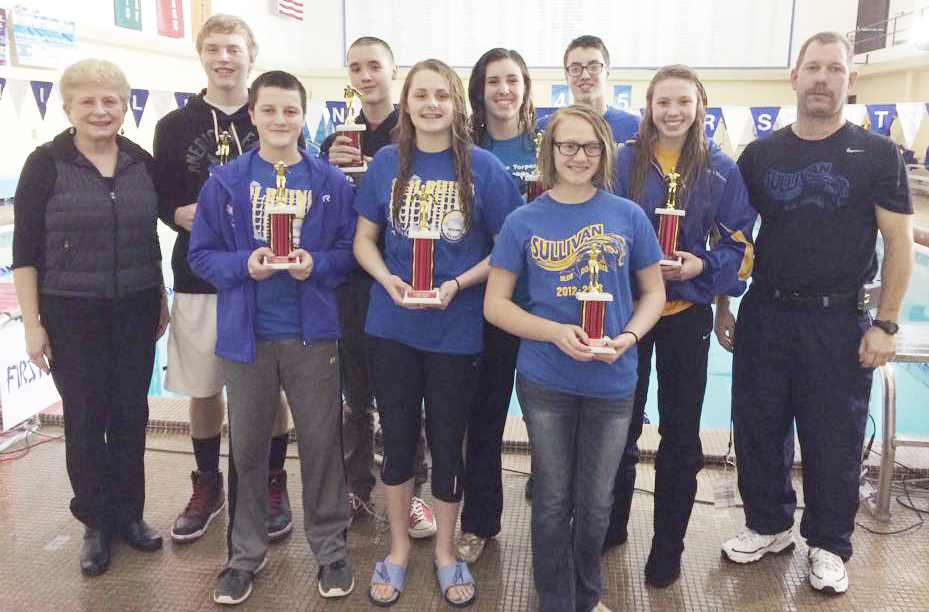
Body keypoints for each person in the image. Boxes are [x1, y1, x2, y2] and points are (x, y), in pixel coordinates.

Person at [720, 32, 913, 595]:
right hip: (766, 314)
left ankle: (828, 544)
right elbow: (734, 236)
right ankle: (768, 525)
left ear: (851, 81)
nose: (823, 78)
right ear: (795, 77)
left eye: (835, 69)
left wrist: (886, 322)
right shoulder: (760, 154)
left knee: (834, 437)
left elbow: (899, 245)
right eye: (813, 68)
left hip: (837, 320)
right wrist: (723, 305)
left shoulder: (877, 154)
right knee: (758, 427)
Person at [353, 58, 522, 607]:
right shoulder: (385, 164)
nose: (431, 105)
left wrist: (455, 284)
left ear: (456, 105)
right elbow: (364, 242)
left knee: (449, 444)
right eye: (420, 95)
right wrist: (389, 280)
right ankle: (399, 549)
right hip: (392, 325)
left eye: (441, 96)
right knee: (399, 443)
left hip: (455, 329)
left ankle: (445, 552)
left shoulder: (484, 169)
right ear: (407, 103)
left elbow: (506, 249)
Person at [485, 104, 665, 612]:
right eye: (568, 145)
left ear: (604, 151)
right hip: (546, 379)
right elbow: (495, 305)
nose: (578, 155)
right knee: (551, 500)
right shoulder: (524, 220)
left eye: (589, 146)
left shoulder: (627, 215)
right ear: (550, 151)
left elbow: (652, 293)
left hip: (612, 380)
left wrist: (628, 338)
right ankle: (556, 600)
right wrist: (555, 333)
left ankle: (587, 597)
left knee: (596, 504)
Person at [189, 71, 356, 605]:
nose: (280, 120)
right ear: (254, 115)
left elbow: (352, 254)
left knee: (323, 445)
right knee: (249, 450)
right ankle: (243, 556)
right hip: (249, 338)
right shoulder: (224, 182)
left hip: (312, 336)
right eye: (270, 111)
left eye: (290, 111)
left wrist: (318, 264)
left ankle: (330, 551)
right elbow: (200, 256)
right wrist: (245, 264)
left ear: (303, 116)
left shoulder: (332, 183)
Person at [12, 58, 169, 576]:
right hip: (71, 311)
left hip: (136, 306)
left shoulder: (139, 161)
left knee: (130, 415)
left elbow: (152, 235)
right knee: (84, 419)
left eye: (111, 101)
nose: (101, 111)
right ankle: (95, 523)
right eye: (89, 101)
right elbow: (26, 251)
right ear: (68, 108)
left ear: (125, 108)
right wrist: (34, 323)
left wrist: (161, 297)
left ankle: (130, 516)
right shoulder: (47, 164)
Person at [606, 65, 756, 587]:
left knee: (680, 435)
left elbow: (739, 245)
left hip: (684, 314)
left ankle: (667, 545)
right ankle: (612, 524)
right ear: (648, 105)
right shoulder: (624, 160)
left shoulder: (719, 168)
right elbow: (598, 223)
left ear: (699, 106)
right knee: (618, 424)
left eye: (683, 102)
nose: (672, 112)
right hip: (627, 314)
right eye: (662, 101)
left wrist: (701, 269)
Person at [153, 14, 294, 544]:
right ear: (202, 54)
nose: (224, 58)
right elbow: (163, 200)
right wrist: (179, 214)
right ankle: (208, 484)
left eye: (234, 48)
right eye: (214, 48)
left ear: (250, 54)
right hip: (200, 275)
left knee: (269, 386)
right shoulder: (173, 126)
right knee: (205, 386)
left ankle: (271, 483)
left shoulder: (272, 116)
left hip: (268, 276)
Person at [319, 36, 436, 538]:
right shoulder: (335, 138)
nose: (365, 75)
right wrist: (331, 166)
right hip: (348, 282)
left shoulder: (413, 133)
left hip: (402, 278)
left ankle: (410, 491)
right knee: (353, 395)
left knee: (404, 394)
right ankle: (356, 485)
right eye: (356, 68)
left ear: (393, 71)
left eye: (374, 66)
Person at [455, 47, 537, 565]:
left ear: (526, 87)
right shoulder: (464, 150)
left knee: (551, 421)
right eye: (493, 82)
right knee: (483, 418)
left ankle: (558, 519)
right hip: (488, 305)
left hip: (550, 305)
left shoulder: (551, 144)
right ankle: (480, 521)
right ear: (479, 92)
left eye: (513, 80)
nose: (504, 90)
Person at [537, 35, 639, 145]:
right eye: (575, 69)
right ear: (567, 76)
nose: (585, 75)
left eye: (594, 67)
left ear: (607, 72)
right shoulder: (545, 128)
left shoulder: (635, 127)